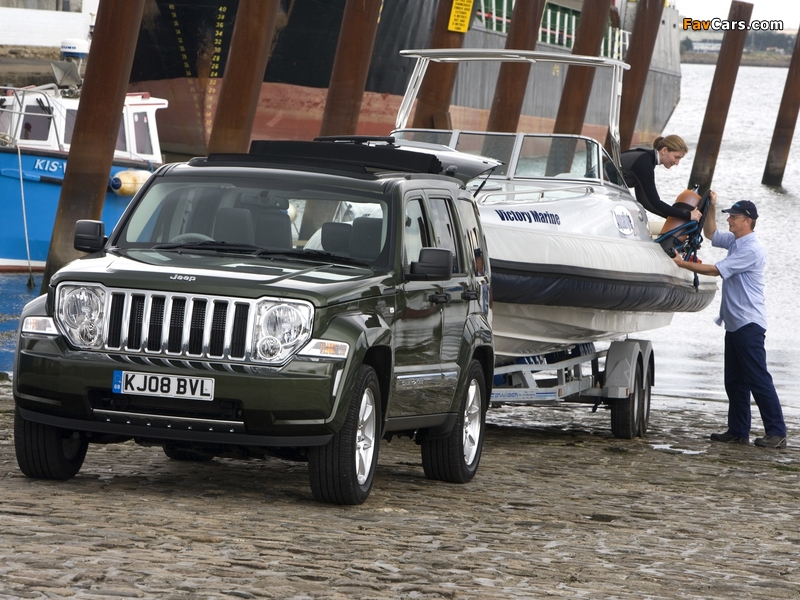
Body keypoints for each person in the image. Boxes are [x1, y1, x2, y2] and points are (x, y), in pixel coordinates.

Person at [672, 195, 787, 449]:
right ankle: (738, 431)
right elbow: (711, 233)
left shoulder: (751, 249)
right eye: (730, 216)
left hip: (749, 324)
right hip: (735, 324)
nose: (730, 220)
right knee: (734, 381)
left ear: (747, 221)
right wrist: (712, 206)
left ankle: (777, 432)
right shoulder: (736, 241)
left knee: (758, 379)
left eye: (734, 217)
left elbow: (716, 270)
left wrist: (683, 264)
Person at [621, 135, 702, 222]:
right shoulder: (644, 163)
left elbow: (644, 201)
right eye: (676, 157)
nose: (677, 163)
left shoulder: (646, 159)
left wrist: (676, 218)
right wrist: (687, 215)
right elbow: (654, 202)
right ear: (664, 150)